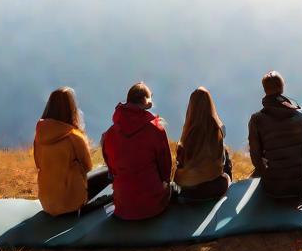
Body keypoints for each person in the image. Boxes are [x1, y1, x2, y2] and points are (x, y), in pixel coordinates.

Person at [101, 82, 174, 220]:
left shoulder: (109, 134)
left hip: (122, 206)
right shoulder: (156, 128)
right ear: (145, 101)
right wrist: (164, 182)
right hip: (152, 205)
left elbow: (111, 168)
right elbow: (165, 166)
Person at [33, 87, 111, 217]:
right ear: (71, 109)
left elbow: (38, 164)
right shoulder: (74, 137)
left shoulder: (39, 135)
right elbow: (88, 167)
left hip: (46, 202)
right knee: (107, 172)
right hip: (70, 204)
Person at [247, 71, 302, 201]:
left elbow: (255, 156)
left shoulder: (257, 119)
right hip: (299, 186)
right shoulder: (299, 117)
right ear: (282, 88)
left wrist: (265, 174)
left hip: (272, 188)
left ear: (264, 89)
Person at [174, 86, 232, 201]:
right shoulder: (219, 129)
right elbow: (222, 160)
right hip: (214, 188)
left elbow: (180, 162)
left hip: (188, 190)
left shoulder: (188, 132)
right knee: (225, 157)